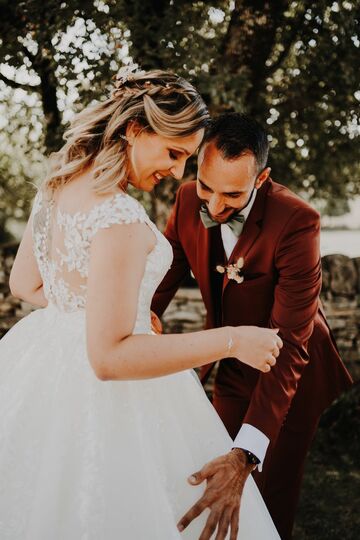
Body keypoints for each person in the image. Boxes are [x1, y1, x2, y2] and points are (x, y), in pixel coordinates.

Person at [0, 70, 282, 540]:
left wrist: (110, 308)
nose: (177, 173)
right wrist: (231, 340)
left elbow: (25, 283)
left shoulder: (58, 184)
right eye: (173, 154)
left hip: (42, 368)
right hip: (109, 400)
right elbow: (109, 358)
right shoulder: (121, 218)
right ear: (134, 129)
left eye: (186, 159)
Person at [152, 112, 353, 540]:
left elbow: (292, 344)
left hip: (293, 375)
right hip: (231, 363)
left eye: (232, 194)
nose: (214, 206)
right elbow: (167, 271)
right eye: (206, 186)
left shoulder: (298, 221)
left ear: (261, 180)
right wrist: (143, 314)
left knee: (267, 494)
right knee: (210, 471)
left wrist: (246, 454)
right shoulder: (188, 199)